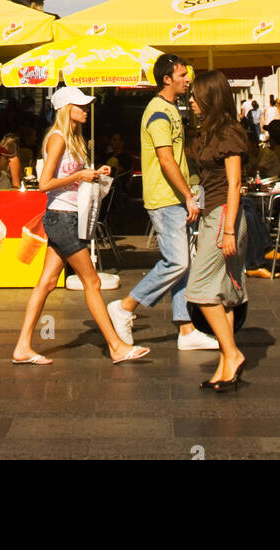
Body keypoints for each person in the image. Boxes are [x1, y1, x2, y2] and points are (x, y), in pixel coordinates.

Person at [12, 86, 149, 366]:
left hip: (65, 216)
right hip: (63, 217)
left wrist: (94, 174)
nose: (86, 110)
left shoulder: (71, 138)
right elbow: (44, 184)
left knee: (47, 283)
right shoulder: (59, 138)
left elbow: (67, 179)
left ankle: (23, 347)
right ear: (67, 109)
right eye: (81, 106)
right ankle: (116, 346)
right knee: (93, 281)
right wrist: (80, 174)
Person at [107, 55, 219, 354]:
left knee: (185, 265)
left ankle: (186, 329)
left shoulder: (172, 109)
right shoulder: (158, 112)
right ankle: (124, 306)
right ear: (166, 79)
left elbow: (179, 156)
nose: (187, 79)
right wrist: (188, 195)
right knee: (178, 262)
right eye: (182, 74)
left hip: (175, 197)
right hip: (166, 199)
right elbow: (165, 159)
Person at [184, 70, 250, 389]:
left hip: (225, 215)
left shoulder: (228, 132)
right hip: (214, 212)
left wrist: (227, 230)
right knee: (223, 294)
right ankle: (225, 366)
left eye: (196, 96)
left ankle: (232, 353)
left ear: (210, 98)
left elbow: (234, 183)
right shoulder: (210, 132)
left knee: (198, 289)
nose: (191, 100)